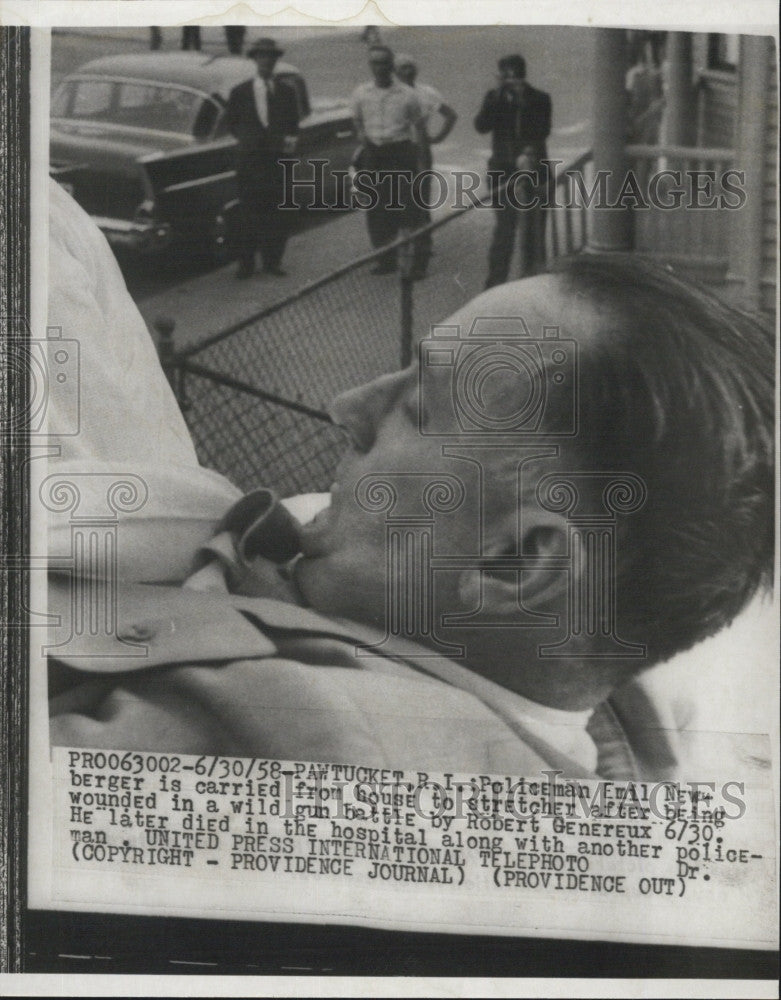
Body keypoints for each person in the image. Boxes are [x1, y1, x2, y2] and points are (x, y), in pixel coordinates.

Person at [47, 192, 775, 781]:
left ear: (512, 564)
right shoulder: (585, 698)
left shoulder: (311, 742)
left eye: (417, 406)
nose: (348, 406)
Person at [224, 37, 300, 278]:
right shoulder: (240, 92)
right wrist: (251, 143)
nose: (267, 61)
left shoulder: (287, 92)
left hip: (277, 164)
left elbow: (293, 125)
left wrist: (284, 146)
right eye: (262, 56)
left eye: (271, 57)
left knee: (277, 214)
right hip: (250, 164)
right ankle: (246, 264)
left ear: (276, 61)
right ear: (255, 59)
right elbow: (233, 125)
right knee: (248, 214)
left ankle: (272, 262)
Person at [475, 54, 552, 288]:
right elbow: (481, 126)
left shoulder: (540, 99)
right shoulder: (494, 98)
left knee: (535, 228)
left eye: (513, 78)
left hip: (533, 169)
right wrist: (498, 96)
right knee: (505, 229)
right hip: (503, 170)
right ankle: (496, 284)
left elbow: (542, 131)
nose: (511, 83)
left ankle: (534, 280)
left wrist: (527, 152)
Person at [350, 46, 425, 275]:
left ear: (392, 65)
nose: (380, 68)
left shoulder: (407, 94)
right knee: (377, 209)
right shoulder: (361, 93)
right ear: (370, 66)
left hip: (400, 152)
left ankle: (417, 264)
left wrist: (420, 162)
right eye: (375, 63)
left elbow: (418, 128)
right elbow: (357, 120)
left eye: (384, 63)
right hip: (374, 154)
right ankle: (386, 260)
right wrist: (364, 140)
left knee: (409, 209)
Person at [394, 53, 458, 279]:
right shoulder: (391, 95)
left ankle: (421, 250)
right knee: (399, 200)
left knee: (420, 199)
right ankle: (405, 248)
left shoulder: (427, 92)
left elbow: (451, 115)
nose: (408, 72)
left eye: (411, 67)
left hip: (420, 149)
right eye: (402, 68)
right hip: (395, 151)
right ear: (395, 72)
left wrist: (437, 138)